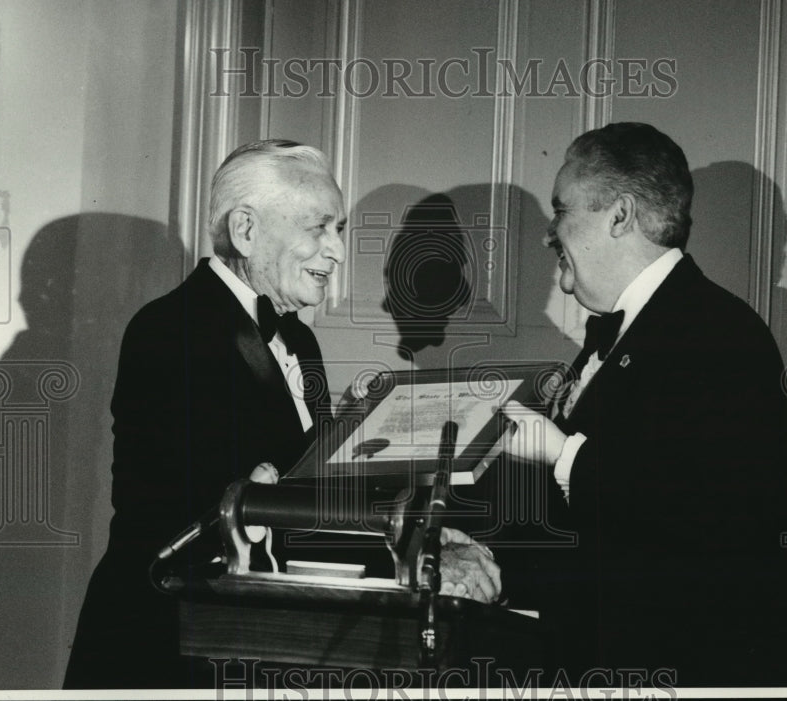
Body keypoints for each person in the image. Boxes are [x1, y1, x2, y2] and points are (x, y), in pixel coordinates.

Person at [64, 140, 500, 689]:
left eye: (337, 230)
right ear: (246, 230)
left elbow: (305, 492)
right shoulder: (168, 331)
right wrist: (405, 549)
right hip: (165, 638)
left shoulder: (299, 339)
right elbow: (219, 511)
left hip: (251, 637)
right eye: (319, 228)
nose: (338, 251)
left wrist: (422, 535)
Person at [502, 123, 787, 686]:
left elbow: (707, 513)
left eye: (562, 210)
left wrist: (564, 454)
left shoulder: (720, 333)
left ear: (619, 215)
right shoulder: (628, 332)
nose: (550, 233)